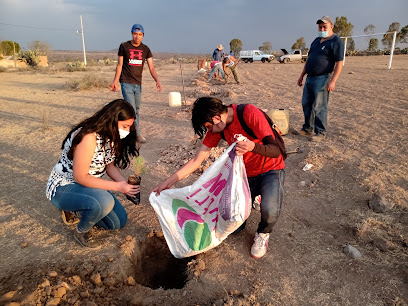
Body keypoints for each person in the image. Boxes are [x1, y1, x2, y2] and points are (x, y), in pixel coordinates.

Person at [153, 97, 285, 259]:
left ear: (216, 118)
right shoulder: (218, 128)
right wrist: (169, 182)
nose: (209, 130)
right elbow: (197, 160)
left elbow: (275, 150)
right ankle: (255, 196)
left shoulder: (249, 113)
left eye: (208, 126)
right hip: (244, 175)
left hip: (271, 169)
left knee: (270, 210)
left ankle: (263, 232)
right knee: (234, 226)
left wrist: (252, 146)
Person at [46, 99, 140, 248]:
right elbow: (80, 176)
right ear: (112, 120)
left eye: (129, 127)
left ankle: (78, 209)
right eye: (125, 126)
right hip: (66, 186)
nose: (127, 131)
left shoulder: (110, 136)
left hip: (88, 186)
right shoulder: (88, 137)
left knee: (118, 222)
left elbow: (110, 167)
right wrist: (118, 187)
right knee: (104, 202)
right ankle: (81, 232)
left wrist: (125, 185)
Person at [110, 24, 162, 143]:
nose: (137, 37)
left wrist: (157, 81)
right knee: (132, 109)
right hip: (126, 82)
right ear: (132, 34)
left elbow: (151, 67)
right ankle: (136, 134)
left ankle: (126, 132)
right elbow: (119, 65)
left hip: (138, 84)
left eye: (140, 34)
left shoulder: (146, 49)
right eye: (135, 34)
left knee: (137, 109)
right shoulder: (124, 46)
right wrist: (115, 82)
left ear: (143, 35)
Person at [297, 16, 344, 141]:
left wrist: (333, 81)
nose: (322, 29)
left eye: (325, 26)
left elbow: (340, 62)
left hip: (322, 79)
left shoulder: (336, 41)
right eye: (320, 27)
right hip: (309, 78)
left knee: (319, 106)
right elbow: (309, 59)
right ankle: (307, 128)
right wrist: (302, 75)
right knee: (306, 104)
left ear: (331, 26)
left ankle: (320, 132)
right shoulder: (316, 41)